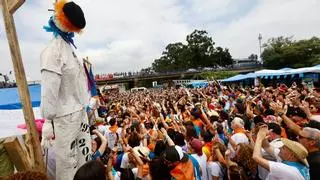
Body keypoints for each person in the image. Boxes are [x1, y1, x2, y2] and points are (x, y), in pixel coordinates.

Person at [40, 1, 91, 179]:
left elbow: (79, 82)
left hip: (79, 113)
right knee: (67, 167)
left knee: (85, 158)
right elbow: (49, 89)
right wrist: (47, 120)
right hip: (64, 118)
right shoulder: (52, 51)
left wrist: (86, 104)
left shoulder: (71, 50)